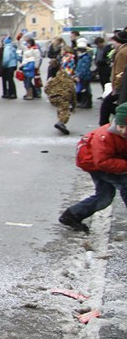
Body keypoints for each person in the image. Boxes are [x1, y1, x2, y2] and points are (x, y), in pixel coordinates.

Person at [59, 102, 127, 234]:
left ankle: (72, 215)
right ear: (115, 123)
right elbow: (102, 161)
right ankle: (72, 215)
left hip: (110, 161)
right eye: (121, 127)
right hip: (95, 164)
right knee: (125, 184)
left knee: (104, 197)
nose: (124, 131)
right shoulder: (104, 136)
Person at [45, 64, 77, 135]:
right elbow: (74, 95)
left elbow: (46, 89)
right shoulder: (70, 82)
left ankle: (60, 121)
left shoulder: (53, 80)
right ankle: (61, 122)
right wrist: (74, 106)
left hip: (53, 98)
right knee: (65, 110)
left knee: (60, 108)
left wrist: (50, 95)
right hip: (64, 97)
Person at [75, 38, 94, 109]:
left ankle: (87, 103)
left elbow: (83, 68)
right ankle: (84, 102)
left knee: (85, 90)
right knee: (84, 89)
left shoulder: (85, 57)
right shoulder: (83, 57)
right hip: (83, 76)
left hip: (84, 76)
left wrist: (79, 76)